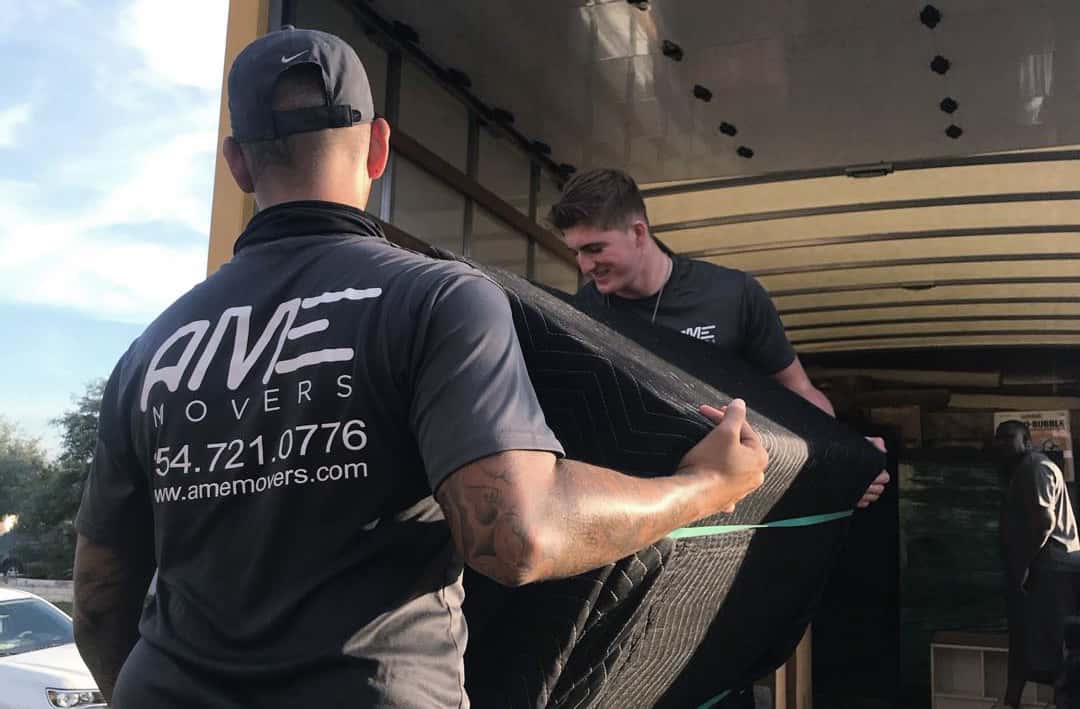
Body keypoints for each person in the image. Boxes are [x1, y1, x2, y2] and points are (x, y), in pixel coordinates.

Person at [70, 27, 768, 708]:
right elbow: (514, 533)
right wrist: (705, 484)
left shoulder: (151, 353)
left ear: (238, 164)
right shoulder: (435, 299)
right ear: (378, 147)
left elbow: (99, 600)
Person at [548, 168, 889, 510]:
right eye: (576, 252)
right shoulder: (584, 312)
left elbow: (798, 391)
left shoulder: (733, 294)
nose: (584, 265)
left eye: (594, 249)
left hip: (738, 497)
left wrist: (848, 453)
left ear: (638, 233)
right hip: (640, 501)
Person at [994, 420, 1080, 708]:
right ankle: (1011, 702)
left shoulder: (1034, 466)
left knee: (1052, 648)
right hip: (1045, 568)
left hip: (1049, 568)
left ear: (1027, 440)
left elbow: (1044, 522)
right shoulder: (1023, 470)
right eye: (998, 439)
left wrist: (1025, 564)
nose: (1002, 444)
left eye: (1009, 438)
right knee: (1030, 642)